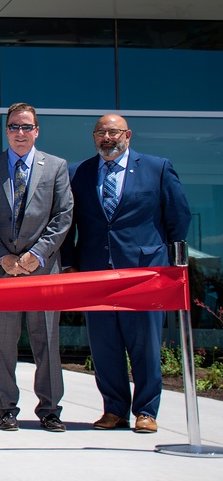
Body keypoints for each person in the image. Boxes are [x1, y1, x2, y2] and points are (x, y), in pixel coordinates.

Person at [65, 114, 191, 434]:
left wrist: (173, 264)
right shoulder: (78, 173)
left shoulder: (157, 167)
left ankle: (146, 411)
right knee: (104, 346)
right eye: (100, 133)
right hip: (95, 272)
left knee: (144, 344)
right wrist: (70, 264)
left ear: (127, 135)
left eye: (112, 132)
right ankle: (114, 410)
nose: (106, 138)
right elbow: (68, 224)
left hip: (144, 273)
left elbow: (178, 217)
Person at [0, 103, 73, 433]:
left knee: (46, 342)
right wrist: (2, 256)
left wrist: (38, 254)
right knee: (3, 344)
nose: (21, 133)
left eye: (27, 127)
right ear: (6, 131)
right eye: (15, 127)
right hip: (1, 270)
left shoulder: (57, 167)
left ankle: (49, 408)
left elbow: (63, 215)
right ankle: (6, 408)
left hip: (42, 271)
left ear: (37, 130)